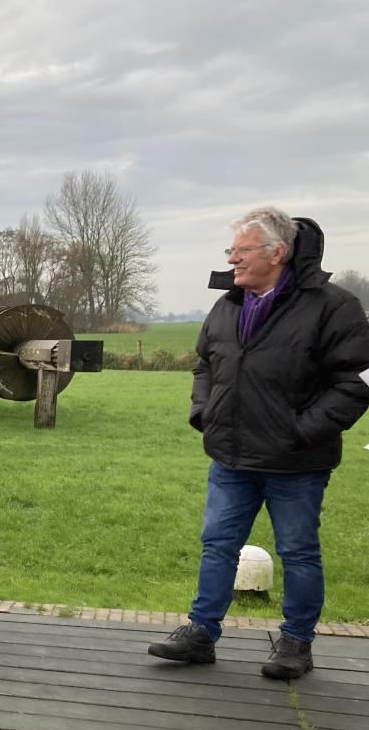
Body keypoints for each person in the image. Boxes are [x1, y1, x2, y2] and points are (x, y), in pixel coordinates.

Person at [149, 208, 369, 680]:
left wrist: (301, 430)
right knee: (217, 545)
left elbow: (355, 382)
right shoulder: (228, 303)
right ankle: (201, 633)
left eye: (241, 251)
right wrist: (202, 412)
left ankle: (296, 643)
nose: (232, 260)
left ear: (278, 253)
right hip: (230, 456)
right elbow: (205, 365)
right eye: (231, 251)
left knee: (298, 551)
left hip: (297, 462)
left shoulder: (334, 307)